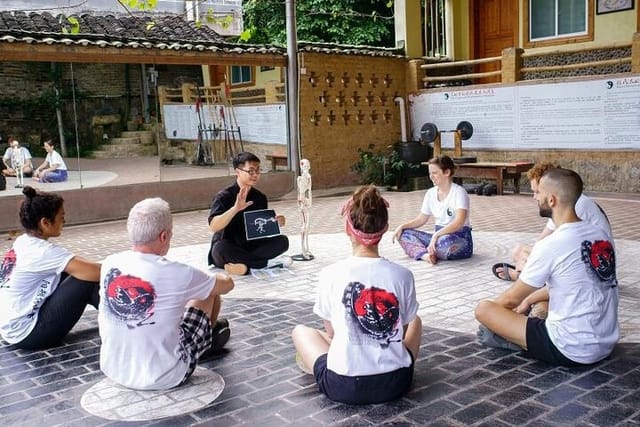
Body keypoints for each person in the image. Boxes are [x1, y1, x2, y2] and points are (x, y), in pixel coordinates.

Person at [292, 185, 422, 405]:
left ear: (347, 228)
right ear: (385, 228)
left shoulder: (330, 274)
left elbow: (332, 332)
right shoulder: (403, 275)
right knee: (415, 318)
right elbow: (404, 329)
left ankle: (347, 355)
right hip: (396, 382)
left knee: (300, 331)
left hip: (343, 386)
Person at [475, 168, 619, 366]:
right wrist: (527, 303)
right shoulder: (600, 235)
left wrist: (496, 319)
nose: (535, 197)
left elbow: (510, 299)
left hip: (571, 348)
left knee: (484, 310)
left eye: (538, 192)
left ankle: (516, 341)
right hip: (606, 342)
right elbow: (571, 285)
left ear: (552, 200)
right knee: (538, 304)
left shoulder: (552, 244)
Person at [99, 197, 234, 390]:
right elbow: (226, 285)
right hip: (166, 374)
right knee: (208, 291)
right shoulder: (177, 272)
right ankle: (205, 343)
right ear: (164, 236)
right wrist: (210, 278)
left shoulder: (110, 262)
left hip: (115, 369)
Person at [0, 186, 100, 349]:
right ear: (45, 222)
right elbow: (96, 272)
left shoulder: (23, 242)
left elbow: (78, 264)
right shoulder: (42, 252)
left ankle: (120, 319)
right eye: (61, 217)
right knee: (87, 281)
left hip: (11, 327)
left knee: (74, 272)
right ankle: (123, 324)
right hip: (28, 334)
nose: (64, 221)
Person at [492, 162, 612, 282]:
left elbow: (558, 246)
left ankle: (522, 275)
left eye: (537, 192)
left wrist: (531, 259)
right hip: (587, 258)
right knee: (519, 251)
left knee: (534, 255)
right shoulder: (563, 203)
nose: (535, 197)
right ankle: (525, 273)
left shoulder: (575, 205)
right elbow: (543, 240)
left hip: (590, 265)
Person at [207, 152, 289, 275]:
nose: (255, 174)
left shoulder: (260, 197)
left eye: (258, 170)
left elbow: (261, 230)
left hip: (252, 245)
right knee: (220, 249)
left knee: (283, 241)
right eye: (250, 171)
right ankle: (264, 264)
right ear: (238, 172)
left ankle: (243, 266)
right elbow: (213, 226)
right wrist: (235, 208)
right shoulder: (223, 196)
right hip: (229, 245)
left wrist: (275, 223)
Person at [393, 155, 473, 264]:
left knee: (444, 243)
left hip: (458, 239)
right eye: (430, 173)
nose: (431, 177)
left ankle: (420, 250)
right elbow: (421, 219)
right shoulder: (430, 193)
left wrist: (436, 235)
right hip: (438, 238)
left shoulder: (459, 192)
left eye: (435, 173)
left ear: (447, 172)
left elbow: (459, 222)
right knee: (404, 234)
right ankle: (425, 255)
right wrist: (402, 226)